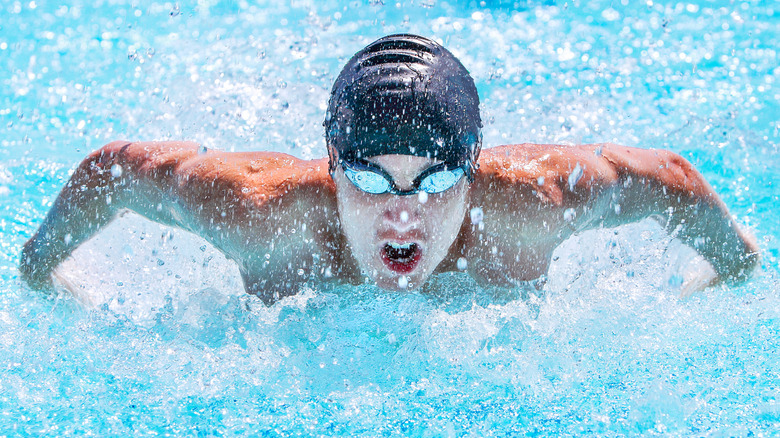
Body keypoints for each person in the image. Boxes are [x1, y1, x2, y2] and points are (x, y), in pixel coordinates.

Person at [19, 34, 759, 305]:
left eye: (434, 181)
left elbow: (669, 177)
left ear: (472, 172)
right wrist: (38, 271)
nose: (403, 214)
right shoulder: (257, 213)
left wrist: (736, 267)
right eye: (372, 180)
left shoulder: (533, 203)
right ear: (332, 166)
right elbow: (111, 170)